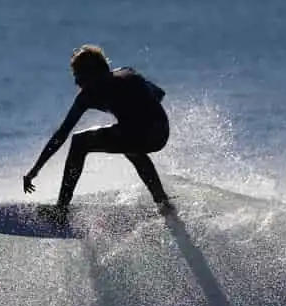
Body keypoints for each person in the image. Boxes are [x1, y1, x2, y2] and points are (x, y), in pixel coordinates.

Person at [23, 45, 175, 219]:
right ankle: (163, 203)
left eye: (78, 76)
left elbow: (157, 93)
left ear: (94, 73)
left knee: (81, 142)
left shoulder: (126, 78)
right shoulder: (89, 95)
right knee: (129, 146)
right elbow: (61, 133)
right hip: (156, 131)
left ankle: (61, 210)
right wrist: (35, 170)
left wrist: (141, 109)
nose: (76, 83)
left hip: (153, 131)